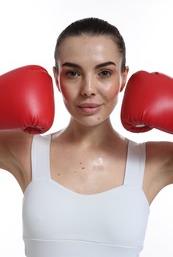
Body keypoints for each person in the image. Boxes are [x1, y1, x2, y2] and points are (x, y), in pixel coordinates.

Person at [0, 17, 173, 257]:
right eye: (72, 73)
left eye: (104, 72)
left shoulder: (154, 161)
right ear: (56, 78)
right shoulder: (25, 150)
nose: (88, 89)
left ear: (123, 77)